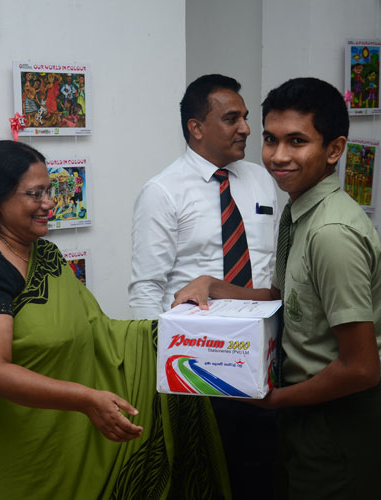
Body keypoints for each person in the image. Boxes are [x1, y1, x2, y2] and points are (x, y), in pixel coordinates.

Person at [0, 140, 230, 500]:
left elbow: (99, 332)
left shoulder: (44, 255)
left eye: (49, 191)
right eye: (35, 194)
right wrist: (86, 399)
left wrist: (175, 329)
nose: (49, 203)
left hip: (50, 440)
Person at [174, 77, 381, 500]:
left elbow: (361, 368)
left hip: (337, 420)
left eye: (297, 141)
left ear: (334, 149)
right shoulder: (297, 213)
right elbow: (282, 299)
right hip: (302, 411)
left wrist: (275, 401)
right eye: (271, 140)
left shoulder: (330, 232)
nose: (278, 156)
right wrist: (213, 285)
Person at [129, 73, 278, 499]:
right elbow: (146, 288)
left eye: (245, 118)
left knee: (261, 475)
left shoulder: (261, 179)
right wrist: (159, 374)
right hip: (198, 365)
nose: (245, 128)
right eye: (231, 119)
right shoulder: (163, 191)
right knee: (205, 479)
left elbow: (270, 268)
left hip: (263, 356)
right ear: (196, 127)